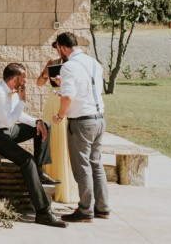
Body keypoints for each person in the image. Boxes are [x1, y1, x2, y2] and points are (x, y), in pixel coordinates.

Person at [0, 62, 67, 228]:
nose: (26, 81)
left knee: (43, 126)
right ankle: (43, 213)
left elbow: (18, 116)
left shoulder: (9, 91)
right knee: (27, 161)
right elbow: (10, 121)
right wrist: (22, 100)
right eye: (24, 78)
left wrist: (36, 122)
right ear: (14, 79)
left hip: (4, 131)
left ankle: (39, 171)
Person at [51, 32, 111, 223]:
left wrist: (60, 116)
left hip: (82, 122)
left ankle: (85, 210)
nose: (58, 52)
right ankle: (102, 208)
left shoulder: (68, 66)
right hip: (99, 118)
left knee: (82, 166)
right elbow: (89, 89)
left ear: (62, 47)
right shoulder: (94, 63)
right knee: (96, 163)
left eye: (58, 48)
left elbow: (68, 97)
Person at [38, 54, 79, 204]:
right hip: (52, 103)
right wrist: (45, 74)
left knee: (65, 144)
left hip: (65, 104)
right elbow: (39, 82)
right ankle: (50, 183)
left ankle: (67, 187)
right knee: (51, 141)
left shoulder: (75, 64)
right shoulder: (53, 62)